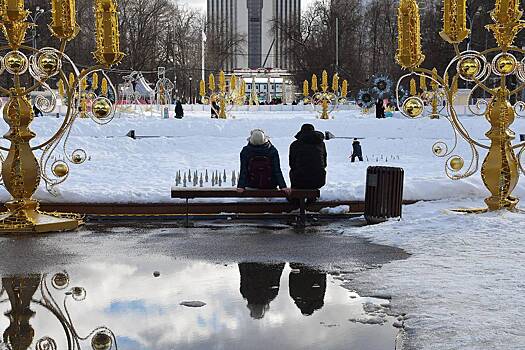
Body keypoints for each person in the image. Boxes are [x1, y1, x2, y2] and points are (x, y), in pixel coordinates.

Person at [289, 124, 327, 190]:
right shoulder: (321, 144)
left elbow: (292, 164)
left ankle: (295, 198)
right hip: (319, 180)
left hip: (299, 180)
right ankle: (312, 198)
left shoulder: (295, 144)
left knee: (295, 172)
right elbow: (324, 162)